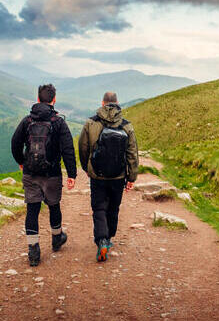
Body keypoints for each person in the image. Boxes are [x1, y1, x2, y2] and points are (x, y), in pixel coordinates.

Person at [11, 84, 76, 266]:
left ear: (38, 99)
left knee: (32, 209)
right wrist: (72, 174)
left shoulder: (27, 121)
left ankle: (33, 251)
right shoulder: (59, 122)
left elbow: (15, 142)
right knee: (54, 206)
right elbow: (68, 149)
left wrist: (21, 161)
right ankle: (57, 239)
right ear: (54, 99)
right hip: (52, 173)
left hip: (31, 173)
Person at [78, 91, 138, 262]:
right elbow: (132, 153)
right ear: (117, 103)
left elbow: (83, 147)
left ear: (102, 103)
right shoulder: (127, 125)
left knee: (99, 208)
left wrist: (87, 167)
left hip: (97, 175)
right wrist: (131, 177)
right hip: (118, 176)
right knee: (113, 208)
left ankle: (102, 240)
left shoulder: (91, 123)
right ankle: (109, 237)